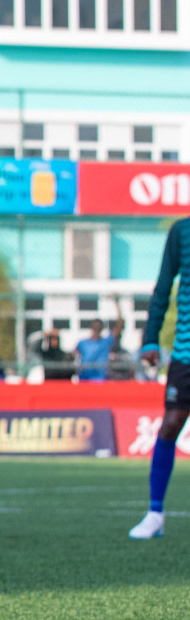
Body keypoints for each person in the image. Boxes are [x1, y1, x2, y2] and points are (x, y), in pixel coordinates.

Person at [131, 222, 190, 539]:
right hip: (185, 351)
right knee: (170, 424)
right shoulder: (181, 232)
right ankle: (155, 514)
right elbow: (163, 287)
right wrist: (150, 338)